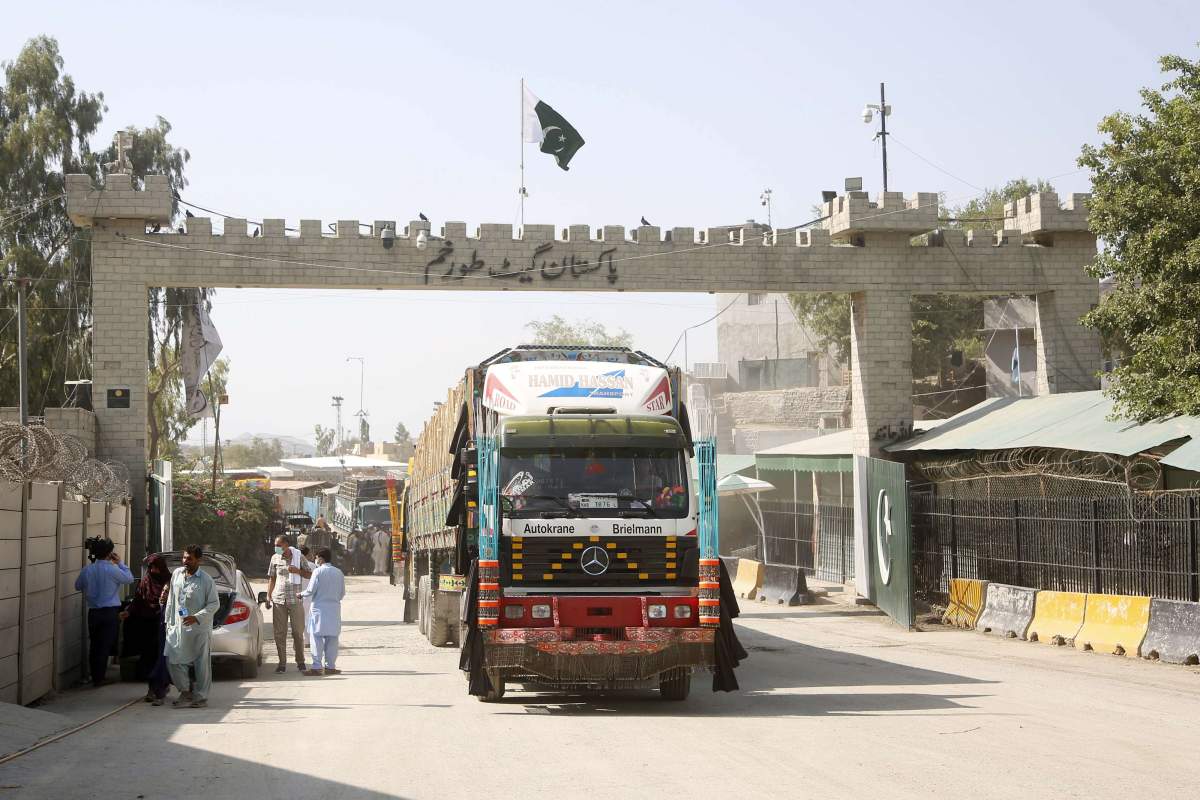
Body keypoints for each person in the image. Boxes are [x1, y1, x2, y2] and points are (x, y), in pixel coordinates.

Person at [163, 544, 218, 708]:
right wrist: (168, 622)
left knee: (201, 664)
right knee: (173, 659)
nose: (185, 561)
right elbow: (172, 600)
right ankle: (185, 692)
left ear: (198, 560)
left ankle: (201, 697)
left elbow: (214, 604)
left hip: (199, 629)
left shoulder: (206, 580)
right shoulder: (177, 575)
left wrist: (197, 617)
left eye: (190, 558)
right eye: (184, 557)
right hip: (178, 627)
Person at [74, 539, 134, 687]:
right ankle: (99, 678)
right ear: (110, 553)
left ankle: (95, 675)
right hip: (109, 612)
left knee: (95, 644)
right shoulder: (112, 569)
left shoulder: (88, 570)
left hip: (94, 612)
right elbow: (130, 579)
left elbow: (77, 586)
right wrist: (120, 563)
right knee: (104, 645)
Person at [120, 554, 173, 704]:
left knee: (161, 658)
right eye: (151, 567)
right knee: (148, 658)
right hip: (146, 625)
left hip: (163, 624)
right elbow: (138, 599)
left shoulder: (170, 582)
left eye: (156, 567)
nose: (153, 570)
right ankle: (152, 689)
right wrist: (128, 611)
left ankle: (159, 689)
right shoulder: (146, 581)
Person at [266, 534, 311, 672]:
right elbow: (272, 578)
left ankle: (300, 661)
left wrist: (297, 571)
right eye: (275, 545)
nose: (276, 548)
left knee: (297, 632)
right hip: (279, 599)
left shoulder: (299, 557)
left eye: (279, 545)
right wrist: (268, 596)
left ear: (286, 544)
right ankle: (282, 663)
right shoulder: (275, 558)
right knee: (279, 633)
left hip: (295, 599)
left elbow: (309, 574)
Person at [301, 547, 345, 676]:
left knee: (316, 638)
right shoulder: (339, 572)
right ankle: (330, 667)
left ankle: (316, 667)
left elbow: (310, 591)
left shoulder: (318, 572)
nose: (315, 560)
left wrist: (300, 594)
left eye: (316, 558)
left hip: (319, 609)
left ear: (320, 558)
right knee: (332, 639)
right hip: (334, 609)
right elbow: (342, 594)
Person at [299, 545, 314, 650]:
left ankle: (305, 641)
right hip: (311, 596)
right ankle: (310, 640)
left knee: (301, 620)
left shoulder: (294, 565)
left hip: (299, 596)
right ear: (307, 554)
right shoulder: (313, 566)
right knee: (310, 619)